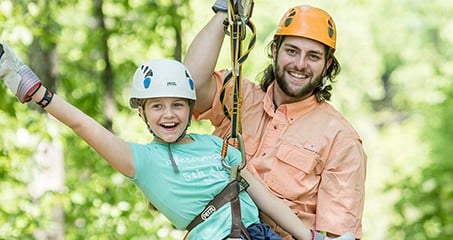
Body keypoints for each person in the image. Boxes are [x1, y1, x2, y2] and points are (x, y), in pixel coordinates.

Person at [0, 42, 357, 240]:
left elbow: (259, 192)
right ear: (142, 113)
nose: (168, 115)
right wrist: (36, 92)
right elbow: (85, 126)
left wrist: (310, 238)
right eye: (157, 106)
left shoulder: (216, 146)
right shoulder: (142, 161)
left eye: (177, 106)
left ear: (190, 109)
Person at [183, 2, 367, 239]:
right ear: (274, 50)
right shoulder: (239, 97)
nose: (300, 64)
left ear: (327, 65)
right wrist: (224, 10)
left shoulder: (341, 139)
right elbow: (190, 85)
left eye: (313, 56)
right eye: (292, 51)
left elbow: (338, 235)